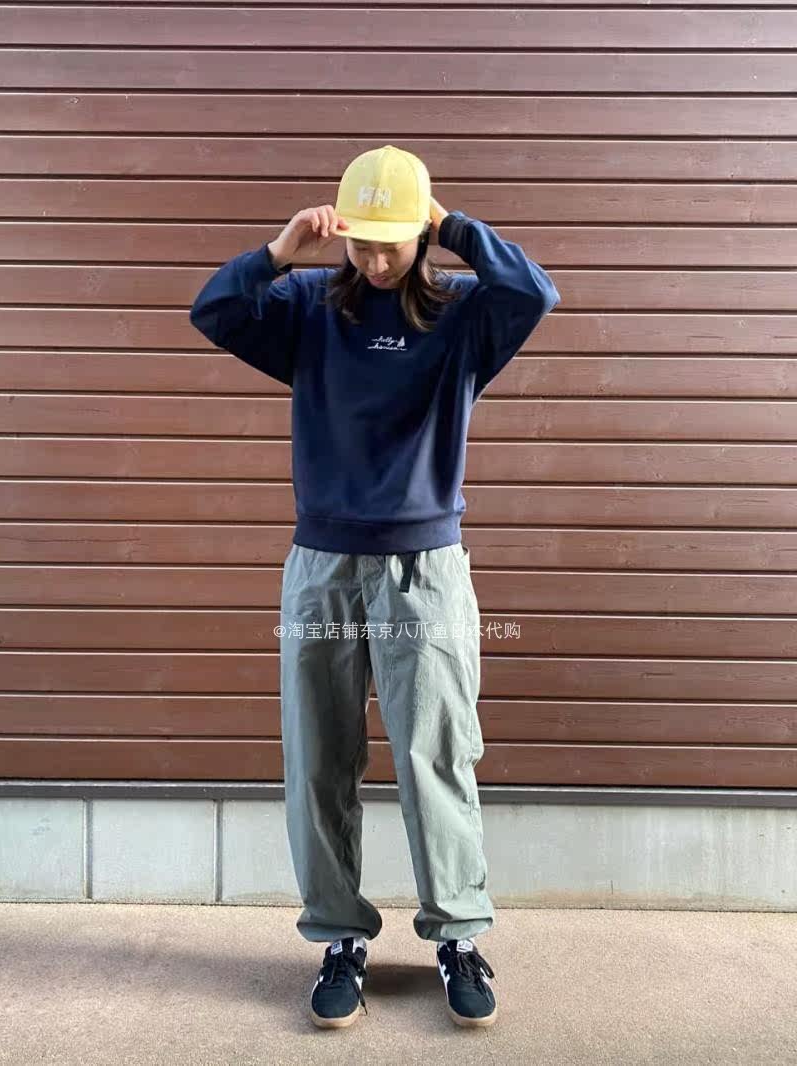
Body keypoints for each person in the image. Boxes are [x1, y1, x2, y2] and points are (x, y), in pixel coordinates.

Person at [189, 144, 561, 1030]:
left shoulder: (463, 314)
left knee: (436, 753)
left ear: (419, 236)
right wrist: (278, 253)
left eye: (392, 242)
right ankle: (339, 936)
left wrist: (454, 225)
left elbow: (534, 291)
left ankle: (457, 935)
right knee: (319, 756)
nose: (377, 259)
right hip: (322, 564)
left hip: (425, 568)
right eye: (362, 241)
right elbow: (214, 310)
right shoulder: (310, 306)